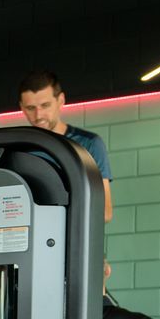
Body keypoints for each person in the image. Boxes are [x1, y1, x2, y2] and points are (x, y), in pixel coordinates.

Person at [19, 70, 113, 222]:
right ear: (22, 107)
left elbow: (104, 212)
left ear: (61, 100)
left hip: (74, 241)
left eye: (45, 105)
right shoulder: (18, 150)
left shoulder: (89, 143)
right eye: (31, 108)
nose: (39, 115)